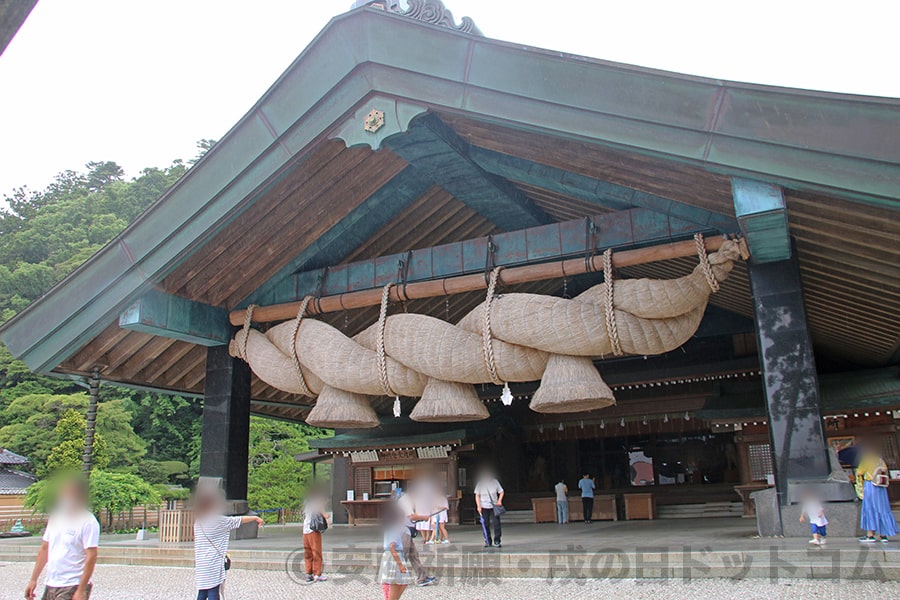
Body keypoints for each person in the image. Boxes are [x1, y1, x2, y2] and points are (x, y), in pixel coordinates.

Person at [25, 475, 99, 600]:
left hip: (72, 583)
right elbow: (45, 548)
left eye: (69, 492)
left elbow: (91, 555)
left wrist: (81, 590)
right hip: (51, 583)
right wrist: (33, 579)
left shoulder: (88, 522)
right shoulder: (56, 517)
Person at [193, 488, 264, 599]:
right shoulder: (218, 520)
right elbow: (237, 520)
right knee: (213, 591)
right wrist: (255, 518)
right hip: (213, 562)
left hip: (201, 563)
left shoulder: (198, 522)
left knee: (202, 592)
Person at [856, 442, 897, 543]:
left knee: (870, 508)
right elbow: (885, 470)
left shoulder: (866, 460)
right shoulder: (880, 460)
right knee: (882, 508)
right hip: (881, 487)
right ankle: (883, 535)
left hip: (870, 486)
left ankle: (870, 535)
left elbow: (859, 472)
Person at [396, 488, 437, 587]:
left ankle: (422, 577)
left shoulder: (406, 500)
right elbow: (411, 517)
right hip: (402, 530)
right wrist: (424, 517)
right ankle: (396, 579)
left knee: (413, 555)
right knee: (404, 555)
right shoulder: (406, 500)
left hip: (406, 530)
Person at [379, 504, 412, 600]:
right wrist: (400, 564)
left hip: (394, 556)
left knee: (402, 582)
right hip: (393, 557)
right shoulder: (393, 529)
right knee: (396, 582)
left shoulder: (392, 528)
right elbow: (392, 547)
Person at [301, 488, 328, 583]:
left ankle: (308, 573)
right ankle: (317, 574)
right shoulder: (318, 504)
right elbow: (326, 515)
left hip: (305, 530)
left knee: (308, 553)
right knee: (316, 552)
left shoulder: (307, 505)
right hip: (314, 530)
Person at [474, 468, 504, 548]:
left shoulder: (495, 482)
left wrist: (499, 501)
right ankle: (487, 540)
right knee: (485, 524)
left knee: (496, 524)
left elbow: (501, 492)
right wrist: (478, 506)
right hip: (484, 506)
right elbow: (477, 495)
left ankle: (497, 540)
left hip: (494, 506)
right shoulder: (480, 484)